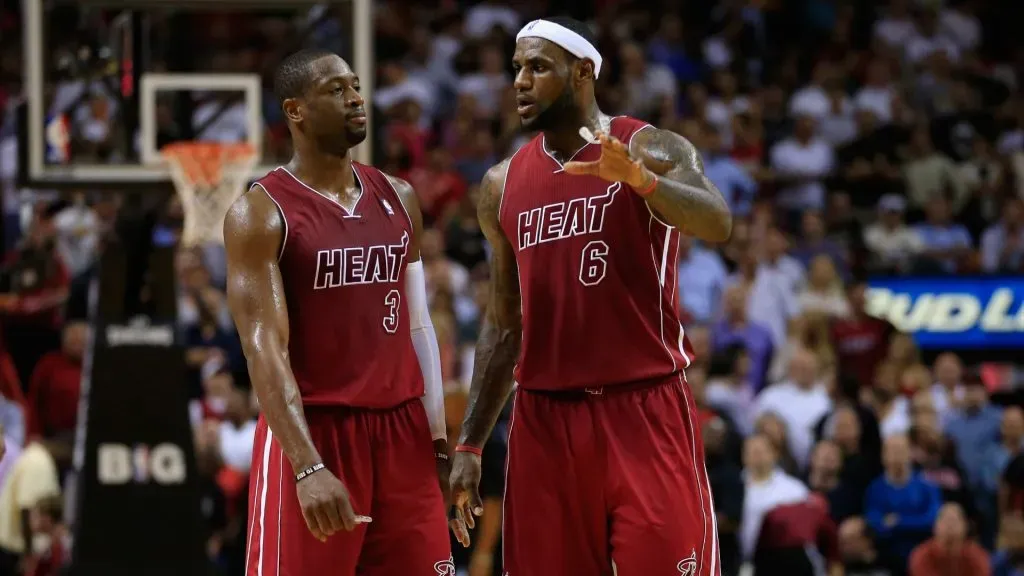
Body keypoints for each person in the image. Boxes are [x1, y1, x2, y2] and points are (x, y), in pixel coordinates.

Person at [448, 16, 732, 575]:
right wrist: (471, 445)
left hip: (644, 408)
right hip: (545, 421)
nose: (520, 81)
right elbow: (505, 326)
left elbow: (717, 220)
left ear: (583, 72)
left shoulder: (645, 144)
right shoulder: (501, 185)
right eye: (516, 69)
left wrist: (642, 181)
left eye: (537, 67)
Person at [224, 49, 454, 576]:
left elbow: (418, 327)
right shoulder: (261, 212)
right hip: (316, 431)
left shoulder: (399, 197)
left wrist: (438, 440)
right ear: (295, 111)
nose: (355, 97)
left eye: (355, 85)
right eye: (335, 89)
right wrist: (306, 467)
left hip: (402, 434)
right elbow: (264, 348)